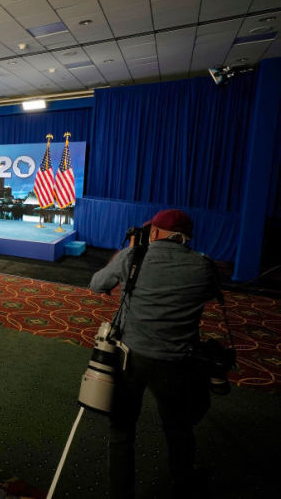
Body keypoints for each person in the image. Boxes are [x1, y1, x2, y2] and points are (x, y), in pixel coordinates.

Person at [89, 209, 218, 499]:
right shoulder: (204, 266)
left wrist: (126, 254)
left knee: (121, 430)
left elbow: (97, 284)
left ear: (155, 232)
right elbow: (208, 293)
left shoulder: (132, 257)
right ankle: (184, 484)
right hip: (176, 363)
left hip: (128, 358)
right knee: (178, 428)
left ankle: (121, 493)